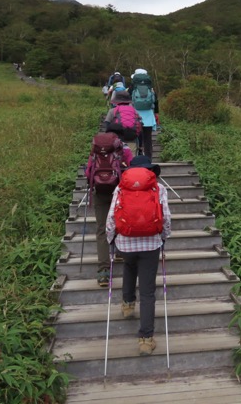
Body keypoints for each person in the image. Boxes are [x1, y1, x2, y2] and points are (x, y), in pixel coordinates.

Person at [106, 155, 171, 356]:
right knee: (148, 292)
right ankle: (145, 339)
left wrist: (111, 239)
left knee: (128, 266)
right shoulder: (159, 188)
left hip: (125, 242)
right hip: (151, 243)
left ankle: (127, 304)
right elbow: (166, 218)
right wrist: (164, 237)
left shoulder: (120, 188)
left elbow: (111, 218)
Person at [84, 128, 134, 287]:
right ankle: (119, 252)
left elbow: (88, 173)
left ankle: (104, 271)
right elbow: (133, 170)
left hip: (99, 192)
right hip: (119, 192)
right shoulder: (124, 149)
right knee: (120, 221)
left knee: (101, 229)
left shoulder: (96, 151)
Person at [128, 69, 158, 158]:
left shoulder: (132, 87)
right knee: (148, 138)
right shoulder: (150, 87)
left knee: (134, 137)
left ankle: (135, 157)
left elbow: (128, 99)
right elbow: (155, 100)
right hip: (148, 116)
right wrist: (156, 113)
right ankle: (148, 158)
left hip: (135, 115)